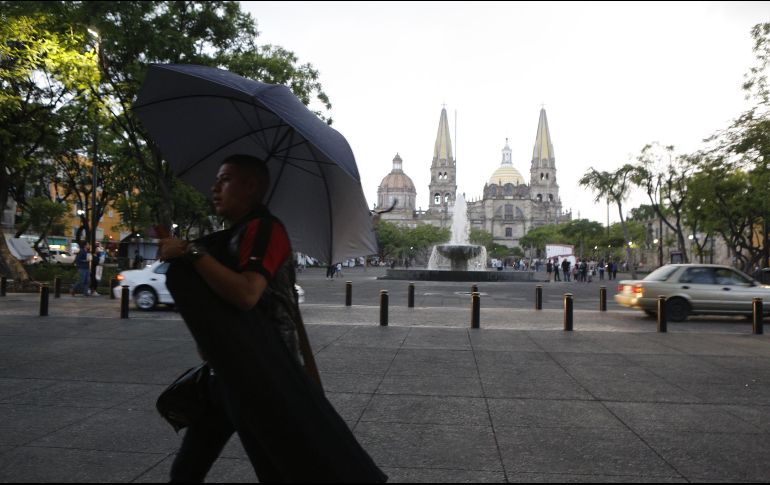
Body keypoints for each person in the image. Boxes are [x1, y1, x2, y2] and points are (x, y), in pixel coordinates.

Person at [158, 154, 386, 483]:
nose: (215, 186)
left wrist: (191, 253)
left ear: (250, 187)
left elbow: (247, 293)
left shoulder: (266, 230)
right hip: (227, 371)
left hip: (262, 374)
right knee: (187, 469)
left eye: (225, 179)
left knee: (274, 468)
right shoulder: (234, 234)